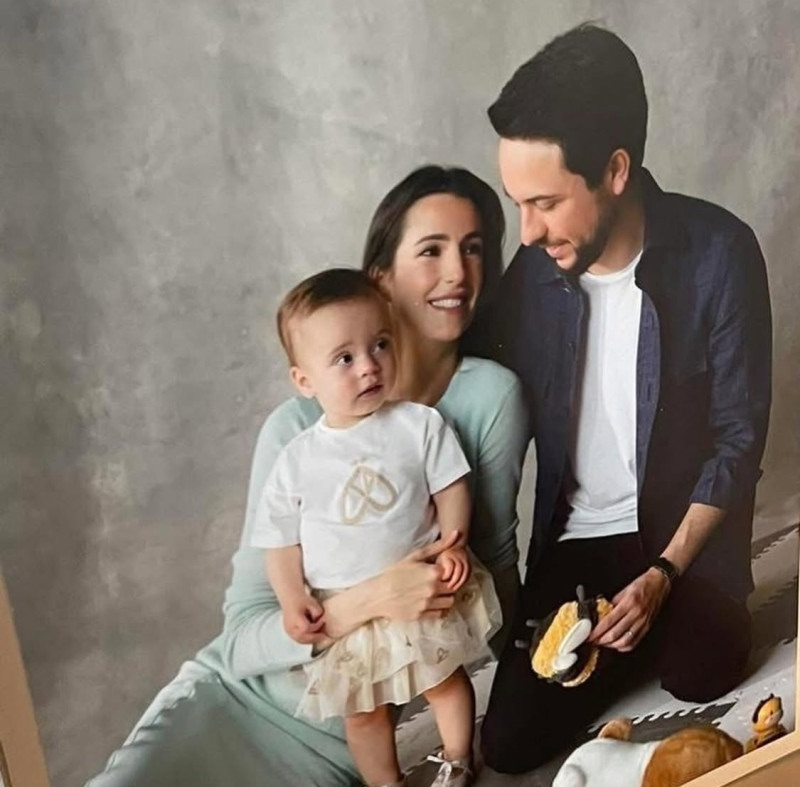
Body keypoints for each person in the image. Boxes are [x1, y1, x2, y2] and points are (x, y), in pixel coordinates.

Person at [87, 166, 528, 787]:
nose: (457, 271)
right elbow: (242, 638)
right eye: (431, 250)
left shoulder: (488, 399)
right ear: (379, 278)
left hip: (346, 743)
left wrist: (528, 672)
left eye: (474, 248)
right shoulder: (295, 431)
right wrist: (370, 601)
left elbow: (498, 568)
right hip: (233, 703)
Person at [469, 23, 773, 774]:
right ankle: (612, 644)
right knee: (507, 744)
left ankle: (648, 633)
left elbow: (738, 438)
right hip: (577, 543)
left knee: (704, 670)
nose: (527, 232)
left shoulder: (720, 252)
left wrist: (663, 577)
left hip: (681, 541)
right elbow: (461, 382)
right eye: (518, 204)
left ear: (614, 170)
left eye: (545, 202)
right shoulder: (532, 276)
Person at [253, 267, 502, 787]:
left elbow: (451, 487)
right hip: (350, 608)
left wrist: (452, 543)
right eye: (344, 358)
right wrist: (292, 598)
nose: (369, 366)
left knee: (443, 680)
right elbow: (280, 541)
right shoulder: (296, 459)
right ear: (304, 380)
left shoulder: (417, 424)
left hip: (422, 588)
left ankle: (458, 757)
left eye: (381, 345)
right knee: (363, 714)